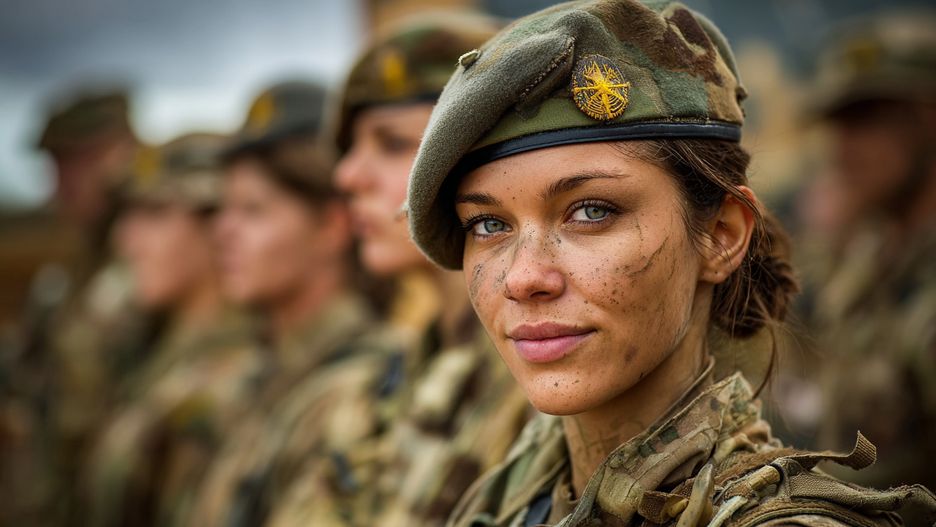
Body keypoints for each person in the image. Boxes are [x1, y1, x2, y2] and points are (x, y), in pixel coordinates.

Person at [404, 1, 936, 525]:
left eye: (591, 212)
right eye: (488, 225)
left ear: (721, 236)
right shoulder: (507, 495)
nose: (523, 278)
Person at [263, 13, 532, 527]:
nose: (347, 176)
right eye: (352, 148)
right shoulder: (387, 381)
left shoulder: (539, 386)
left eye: (390, 144)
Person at [184, 80, 387, 526]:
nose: (223, 231)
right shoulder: (265, 371)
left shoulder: (361, 384)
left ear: (331, 226)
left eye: (253, 210)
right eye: (223, 208)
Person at [80, 133, 263, 527]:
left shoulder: (241, 370)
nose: (127, 241)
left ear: (215, 223)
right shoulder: (146, 346)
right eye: (127, 216)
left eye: (154, 215)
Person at [791, 10, 936, 491]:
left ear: (928, 119)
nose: (841, 147)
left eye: (866, 120)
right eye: (837, 124)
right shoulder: (869, 254)